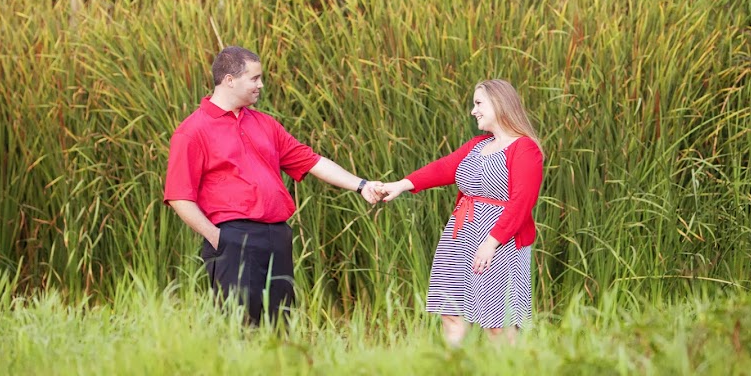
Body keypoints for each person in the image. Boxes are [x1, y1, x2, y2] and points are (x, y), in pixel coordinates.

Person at [164, 46, 383, 324]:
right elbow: (179, 197)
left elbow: (311, 161)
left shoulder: (265, 124)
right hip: (232, 238)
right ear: (230, 80)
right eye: (254, 78)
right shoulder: (192, 131)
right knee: (241, 326)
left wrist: (361, 185)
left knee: (280, 325)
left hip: (276, 237)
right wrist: (218, 239)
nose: (261, 85)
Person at [379, 79, 544, 346]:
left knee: (498, 320)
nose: (473, 110)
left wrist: (491, 242)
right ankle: (453, 373)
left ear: (499, 103)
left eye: (479, 103)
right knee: (450, 310)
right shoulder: (478, 145)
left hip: (500, 241)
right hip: (461, 234)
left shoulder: (524, 148)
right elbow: (443, 168)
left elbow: (522, 202)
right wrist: (401, 185)